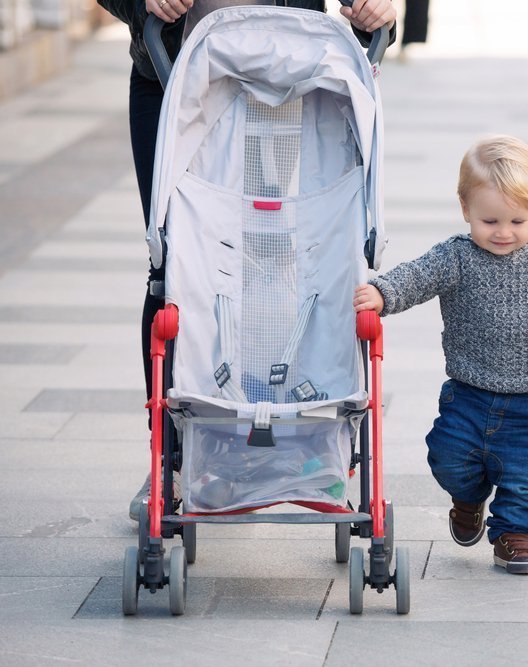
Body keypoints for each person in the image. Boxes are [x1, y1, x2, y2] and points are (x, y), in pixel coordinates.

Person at [94, 0, 396, 521]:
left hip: (292, 78)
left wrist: (378, 10)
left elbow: (375, 9)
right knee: (176, 263)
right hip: (179, 77)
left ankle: (285, 437)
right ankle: (173, 454)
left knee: (282, 253)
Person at [353, 136, 528, 574]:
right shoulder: (456, 257)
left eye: (517, 220)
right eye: (489, 220)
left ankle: (514, 537)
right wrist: (383, 293)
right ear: (465, 210)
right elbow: (417, 276)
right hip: (469, 395)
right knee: (447, 459)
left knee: (526, 477)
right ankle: (467, 498)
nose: (503, 232)